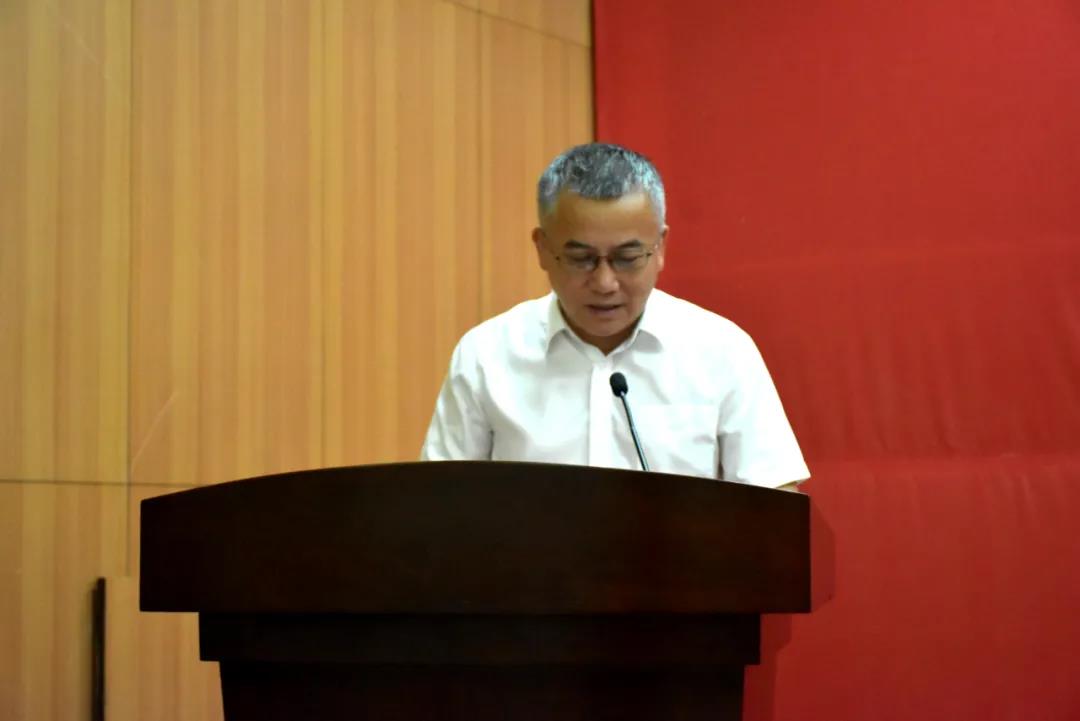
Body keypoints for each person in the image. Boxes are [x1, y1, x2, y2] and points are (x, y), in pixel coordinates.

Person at [421, 143, 808, 491]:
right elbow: (438, 506)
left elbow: (774, 507)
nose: (605, 283)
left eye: (627, 258)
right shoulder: (486, 356)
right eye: (580, 258)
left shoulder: (722, 352)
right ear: (542, 249)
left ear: (660, 248)